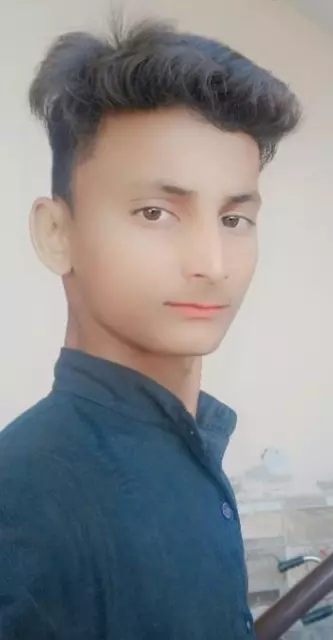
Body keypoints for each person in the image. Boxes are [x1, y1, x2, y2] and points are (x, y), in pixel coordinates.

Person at [0, 14, 301, 640]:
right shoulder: (23, 503)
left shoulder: (190, 448)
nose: (212, 265)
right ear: (57, 233)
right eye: (156, 212)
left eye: (234, 219)